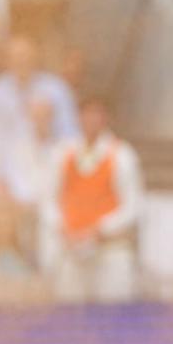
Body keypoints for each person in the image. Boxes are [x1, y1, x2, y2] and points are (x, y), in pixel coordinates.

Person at [41, 97, 143, 303]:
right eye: (86, 113)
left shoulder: (122, 155)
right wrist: (64, 229)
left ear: (106, 118)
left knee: (112, 319)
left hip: (109, 251)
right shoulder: (62, 153)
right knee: (70, 319)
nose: (91, 120)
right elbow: (48, 199)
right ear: (78, 117)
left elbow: (133, 206)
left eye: (97, 114)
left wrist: (99, 230)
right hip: (71, 250)